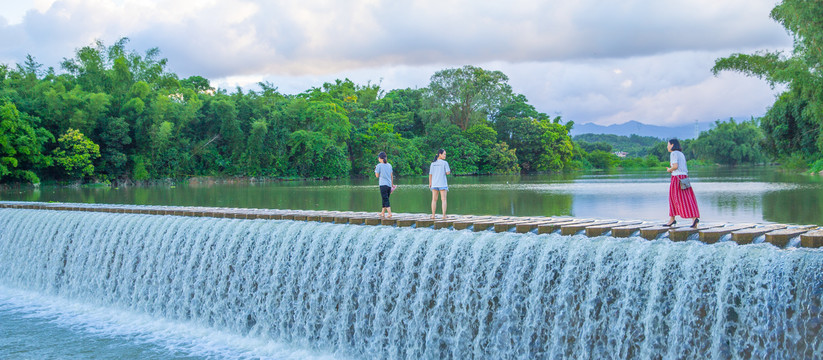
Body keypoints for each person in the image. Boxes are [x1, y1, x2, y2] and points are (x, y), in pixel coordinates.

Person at [665, 139, 700, 227]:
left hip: (677, 178)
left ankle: (672, 219)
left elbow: (675, 166)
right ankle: (694, 218)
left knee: (673, 198)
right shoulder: (681, 154)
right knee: (688, 198)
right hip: (684, 178)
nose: (667, 146)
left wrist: (670, 169)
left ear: (672, 145)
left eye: (668, 144)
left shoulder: (673, 153)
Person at [428, 149, 451, 219]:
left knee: (434, 200)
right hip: (442, 184)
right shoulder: (445, 163)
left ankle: (433, 215)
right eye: (444, 154)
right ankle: (444, 215)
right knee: (443, 200)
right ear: (440, 154)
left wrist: (430, 183)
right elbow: (448, 172)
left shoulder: (433, 163)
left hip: (434, 184)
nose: (445, 156)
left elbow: (430, 174)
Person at [375, 152, 394, 218]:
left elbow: (377, 176)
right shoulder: (389, 165)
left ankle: (389, 213)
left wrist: (376, 169)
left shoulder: (379, 165)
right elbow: (391, 176)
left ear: (380, 158)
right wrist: (392, 185)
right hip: (389, 185)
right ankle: (382, 213)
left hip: (383, 184)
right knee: (385, 198)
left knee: (385, 199)